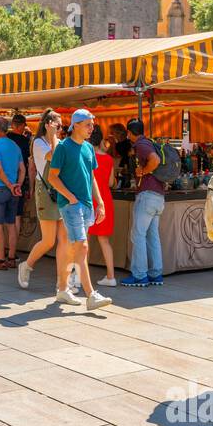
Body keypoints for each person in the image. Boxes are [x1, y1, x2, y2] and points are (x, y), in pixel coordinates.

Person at [45, 109, 112, 312]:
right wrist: (70, 197)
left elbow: (91, 177)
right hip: (72, 205)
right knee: (81, 247)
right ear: (76, 125)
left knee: (73, 249)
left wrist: (99, 201)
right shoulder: (64, 148)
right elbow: (52, 177)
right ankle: (90, 294)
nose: (92, 128)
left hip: (86, 205)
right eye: (88, 125)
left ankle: (63, 289)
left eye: (92, 124)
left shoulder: (89, 148)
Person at [17, 109, 66, 290]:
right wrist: (53, 136)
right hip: (46, 192)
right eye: (57, 126)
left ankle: (63, 283)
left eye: (61, 126)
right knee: (49, 241)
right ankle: (27, 265)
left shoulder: (58, 141)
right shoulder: (38, 142)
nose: (60, 129)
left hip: (60, 190)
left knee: (64, 239)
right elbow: (54, 157)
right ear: (47, 125)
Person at [120, 118, 165, 288]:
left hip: (147, 195)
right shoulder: (150, 142)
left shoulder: (141, 145)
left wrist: (143, 172)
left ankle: (139, 275)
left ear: (130, 133)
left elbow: (155, 160)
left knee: (138, 235)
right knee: (152, 235)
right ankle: (156, 273)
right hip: (158, 196)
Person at [0, 117, 25, 271]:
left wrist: (9, 185)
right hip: (13, 190)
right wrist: (17, 185)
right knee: (11, 224)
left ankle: (0, 260)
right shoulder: (15, 145)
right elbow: (23, 169)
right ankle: (11, 258)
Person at [88, 125, 118, 286]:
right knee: (104, 240)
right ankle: (111, 276)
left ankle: (80, 277)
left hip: (89, 198)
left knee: (83, 240)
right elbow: (111, 182)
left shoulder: (86, 156)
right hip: (105, 200)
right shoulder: (107, 159)